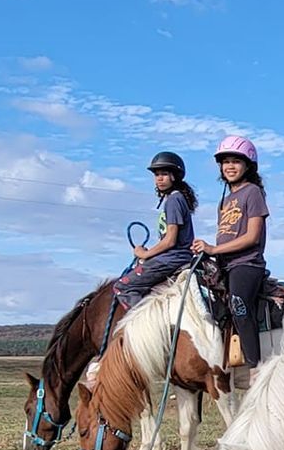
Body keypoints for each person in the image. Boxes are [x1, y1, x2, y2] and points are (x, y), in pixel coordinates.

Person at [192, 136, 271, 370]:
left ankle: (255, 367)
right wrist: (205, 252)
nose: (230, 166)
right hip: (225, 264)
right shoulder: (224, 200)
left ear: (248, 165)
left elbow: (252, 236)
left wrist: (214, 249)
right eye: (225, 161)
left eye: (236, 161)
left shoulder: (252, 192)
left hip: (247, 264)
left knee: (238, 304)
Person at [113, 151, 198, 312]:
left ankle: (141, 326)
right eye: (157, 174)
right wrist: (150, 253)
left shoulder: (173, 200)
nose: (159, 178)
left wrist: (146, 254)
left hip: (172, 259)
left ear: (174, 176)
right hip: (172, 257)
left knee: (122, 286)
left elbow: (171, 240)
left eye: (164, 174)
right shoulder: (175, 199)